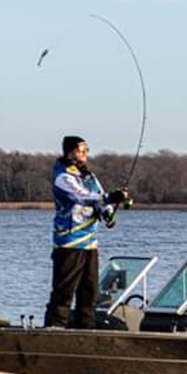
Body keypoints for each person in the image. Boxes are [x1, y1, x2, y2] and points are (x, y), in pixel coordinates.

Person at [44, 135, 130, 328]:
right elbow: (81, 197)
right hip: (69, 242)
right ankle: (54, 328)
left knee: (89, 292)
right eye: (80, 150)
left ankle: (87, 330)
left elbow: (98, 199)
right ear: (70, 152)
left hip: (90, 243)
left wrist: (108, 212)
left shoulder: (89, 176)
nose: (84, 154)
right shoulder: (62, 176)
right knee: (63, 291)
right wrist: (109, 197)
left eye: (86, 150)